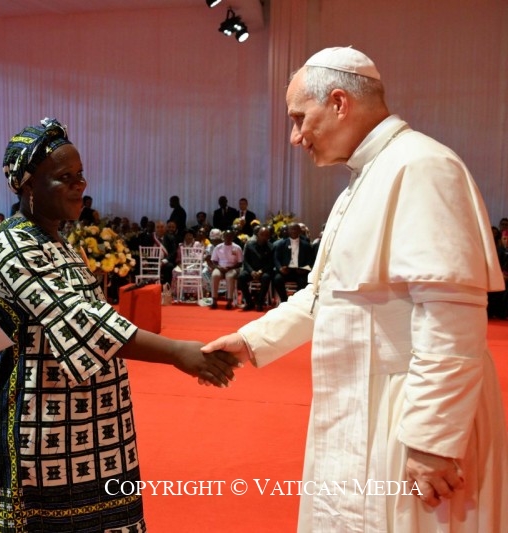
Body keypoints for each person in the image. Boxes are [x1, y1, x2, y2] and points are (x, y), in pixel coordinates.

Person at [202, 47, 508, 531]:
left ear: (340, 102)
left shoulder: (422, 167)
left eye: (300, 118)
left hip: (409, 418)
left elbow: (451, 318)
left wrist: (432, 441)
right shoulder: (365, 179)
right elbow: (326, 295)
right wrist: (250, 341)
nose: (295, 136)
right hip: (360, 406)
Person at [0, 118, 238, 532]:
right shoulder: (10, 243)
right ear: (26, 187)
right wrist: (177, 352)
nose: (80, 185)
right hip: (39, 434)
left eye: (81, 175)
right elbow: (83, 321)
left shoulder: (61, 244)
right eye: (64, 177)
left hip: (97, 430)